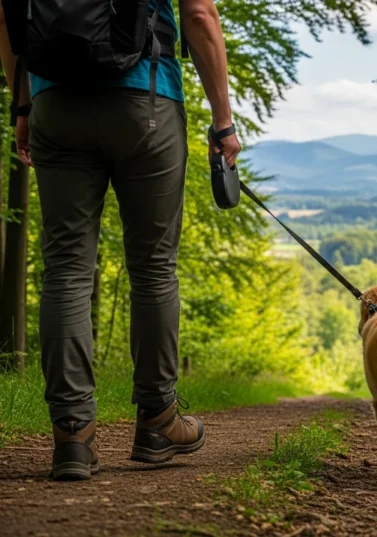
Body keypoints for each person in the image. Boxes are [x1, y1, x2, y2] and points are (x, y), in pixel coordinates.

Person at [0, 0, 241, 480]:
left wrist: (22, 105)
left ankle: (72, 433)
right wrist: (223, 120)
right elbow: (199, 15)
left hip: (54, 103)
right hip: (145, 99)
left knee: (65, 267)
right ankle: (157, 420)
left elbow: (7, 19)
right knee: (152, 268)